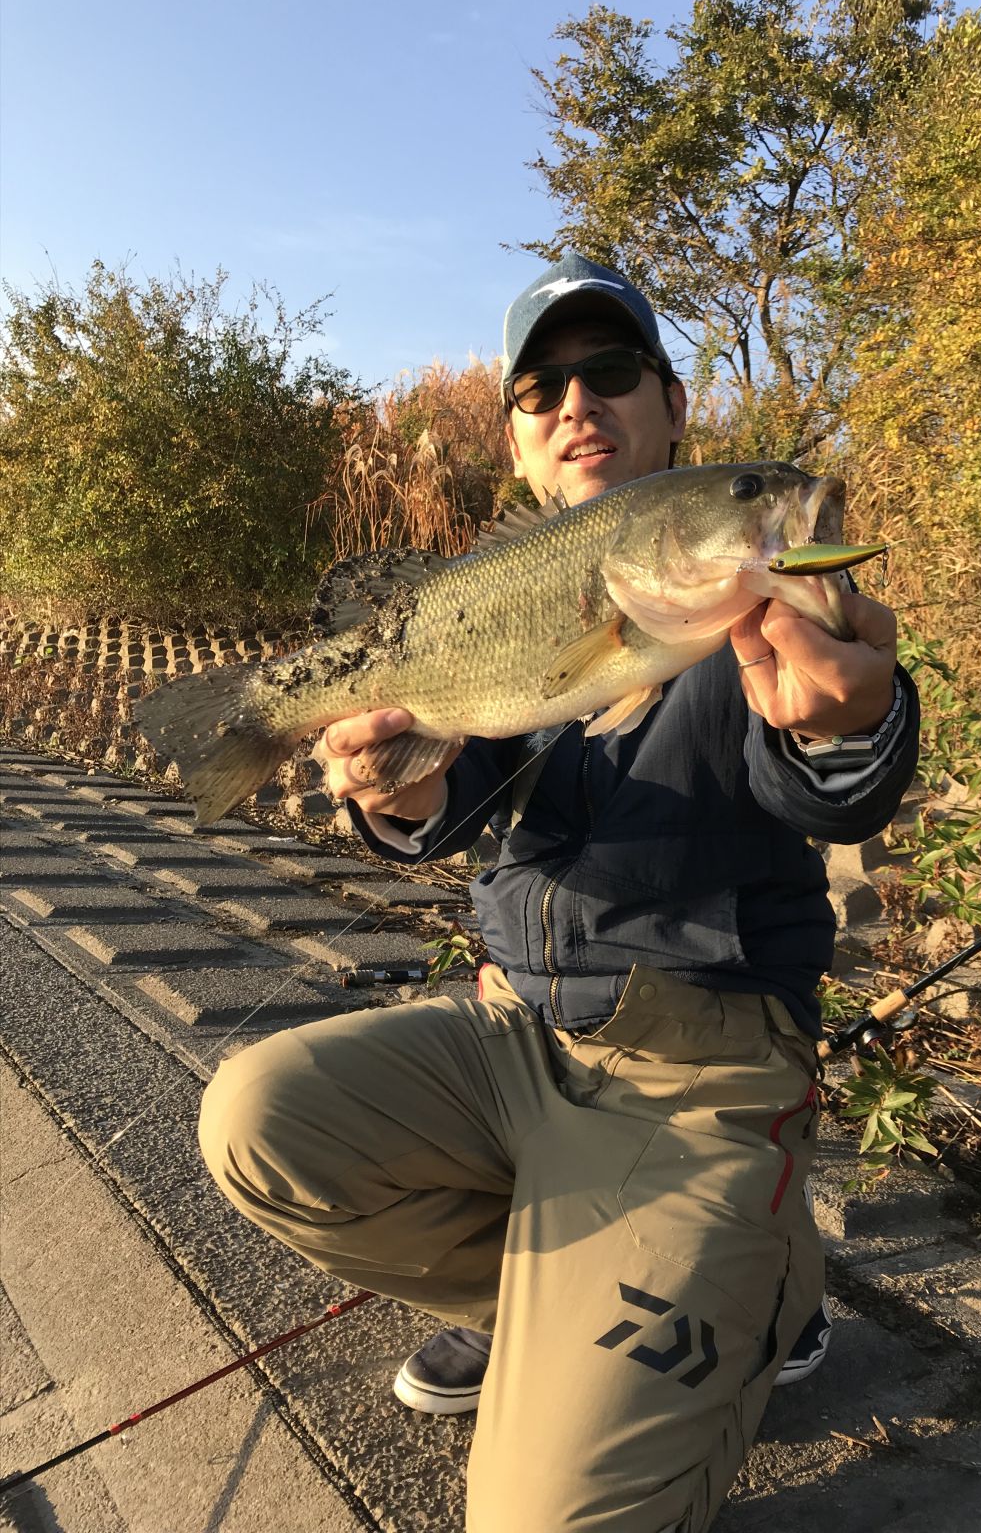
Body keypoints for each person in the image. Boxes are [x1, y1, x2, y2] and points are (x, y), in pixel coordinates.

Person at [199, 252, 919, 1532]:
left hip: (698, 1082)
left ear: (672, 405)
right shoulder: (507, 596)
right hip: (513, 1041)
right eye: (541, 389)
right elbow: (442, 806)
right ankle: (532, 1313)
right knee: (257, 1117)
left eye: (610, 371)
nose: (575, 401)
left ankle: (763, 1301)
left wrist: (845, 724)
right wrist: (396, 792)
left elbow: (833, 778)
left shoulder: (765, 607)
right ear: (525, 445)